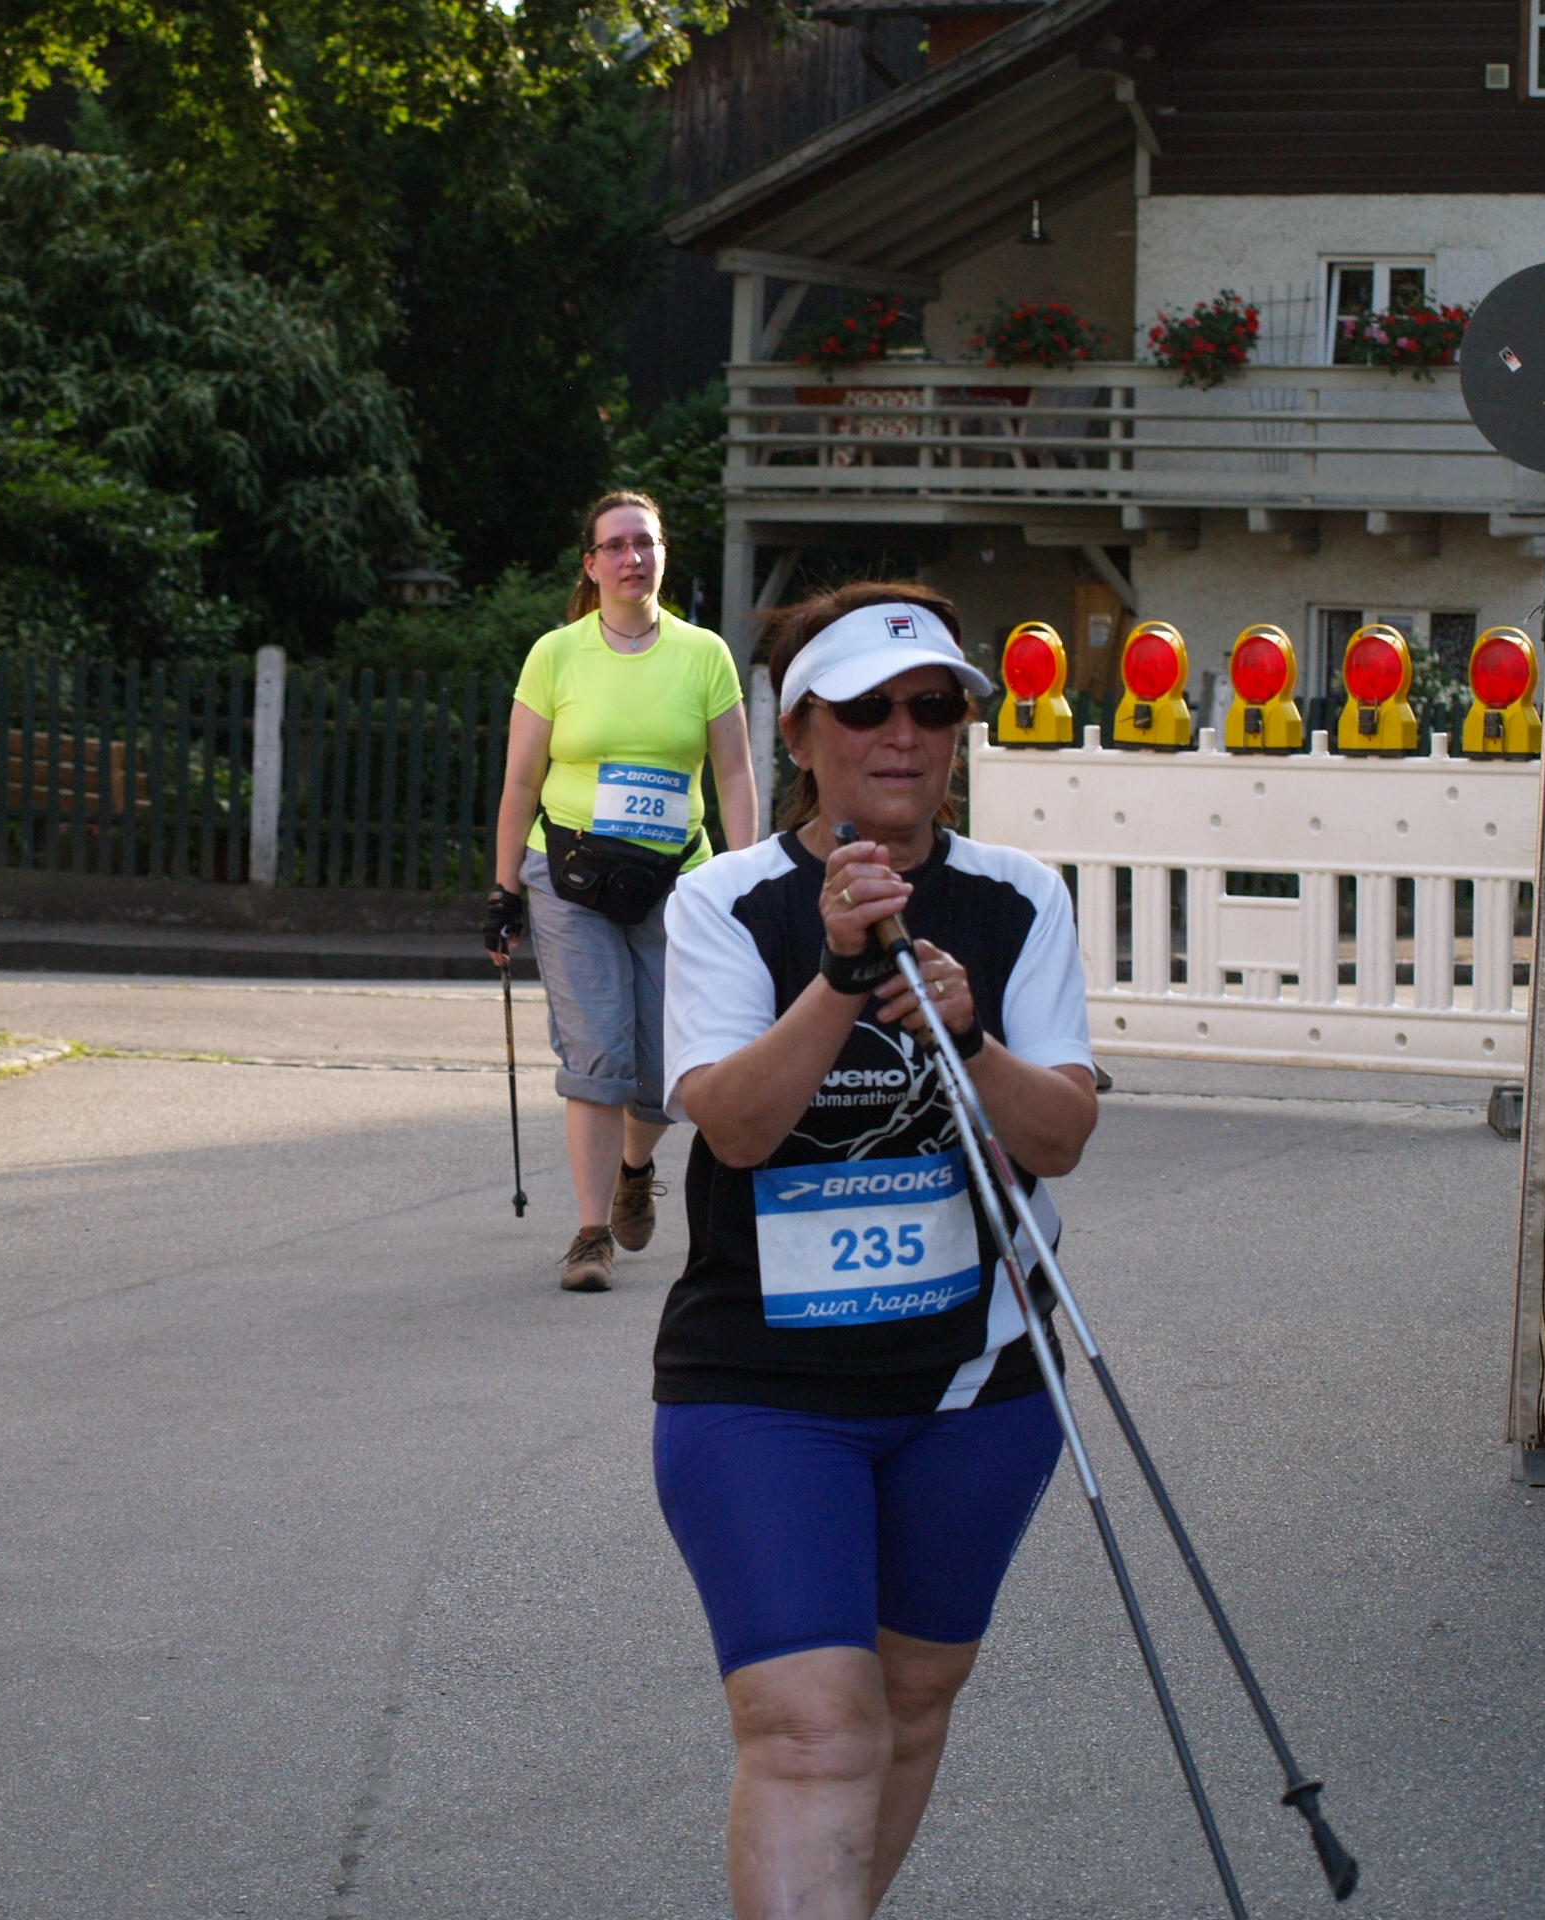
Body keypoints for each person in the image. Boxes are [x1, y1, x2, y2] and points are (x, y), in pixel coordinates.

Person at [653, 581, 1100, 1919]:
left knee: (907, 1705)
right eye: (864, 709)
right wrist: (840, 979)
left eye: (934, 707)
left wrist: (968, 1036)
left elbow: (1060, 1134)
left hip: (977, 1385)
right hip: (764, 1388)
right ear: (800, 733)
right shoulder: (728, 902)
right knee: (811, 1730)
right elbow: (736, 1128)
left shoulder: (1019, 898)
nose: (903, 734)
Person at [484, 490, 759, 1292]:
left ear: (662, 555)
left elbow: (735, 774)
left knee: (669, 1069)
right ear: (591, 564)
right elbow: (520, 780)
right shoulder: (556, 655)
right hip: (571, 877)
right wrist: (503, 892)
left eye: (646, 542)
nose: (632, 557)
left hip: (679, 882)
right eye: (616, 545)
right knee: (599, 1053)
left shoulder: (704, 654)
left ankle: (635, 1169)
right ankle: (591, 1234)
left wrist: (743, 879)